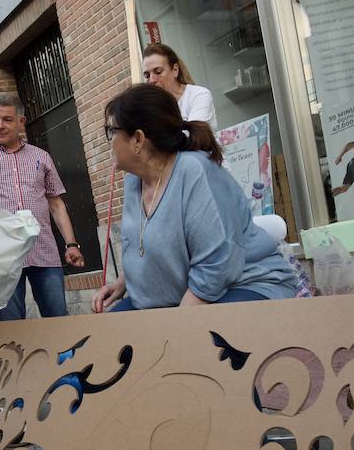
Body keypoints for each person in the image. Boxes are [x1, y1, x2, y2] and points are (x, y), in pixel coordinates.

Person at [93, 84, 297, 312]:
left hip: (241, 285)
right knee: (110, 333)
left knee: (198, 335)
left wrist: (177, 327)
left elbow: (217, 264)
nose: (110, 142)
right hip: (180, 293)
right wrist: (123, 283)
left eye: (112, 131)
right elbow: (143, 246)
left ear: (138, 139)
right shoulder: (134, 180)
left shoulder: (195, 170)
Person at [0, 93, 85, 320]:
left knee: (59, 320)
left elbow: (56, 204)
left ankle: (62, 346)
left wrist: (71, 244)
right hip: (2, 258)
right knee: (12, 326)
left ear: (21, 121)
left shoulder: (41, 157)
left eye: (7, 119)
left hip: (43, 251)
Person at [142, 42, 218, 131]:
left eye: (158, 71)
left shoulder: (198, 95)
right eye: (147, 75)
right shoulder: (152, 110)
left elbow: (194, 135)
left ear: (175, 70)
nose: (151, 80)